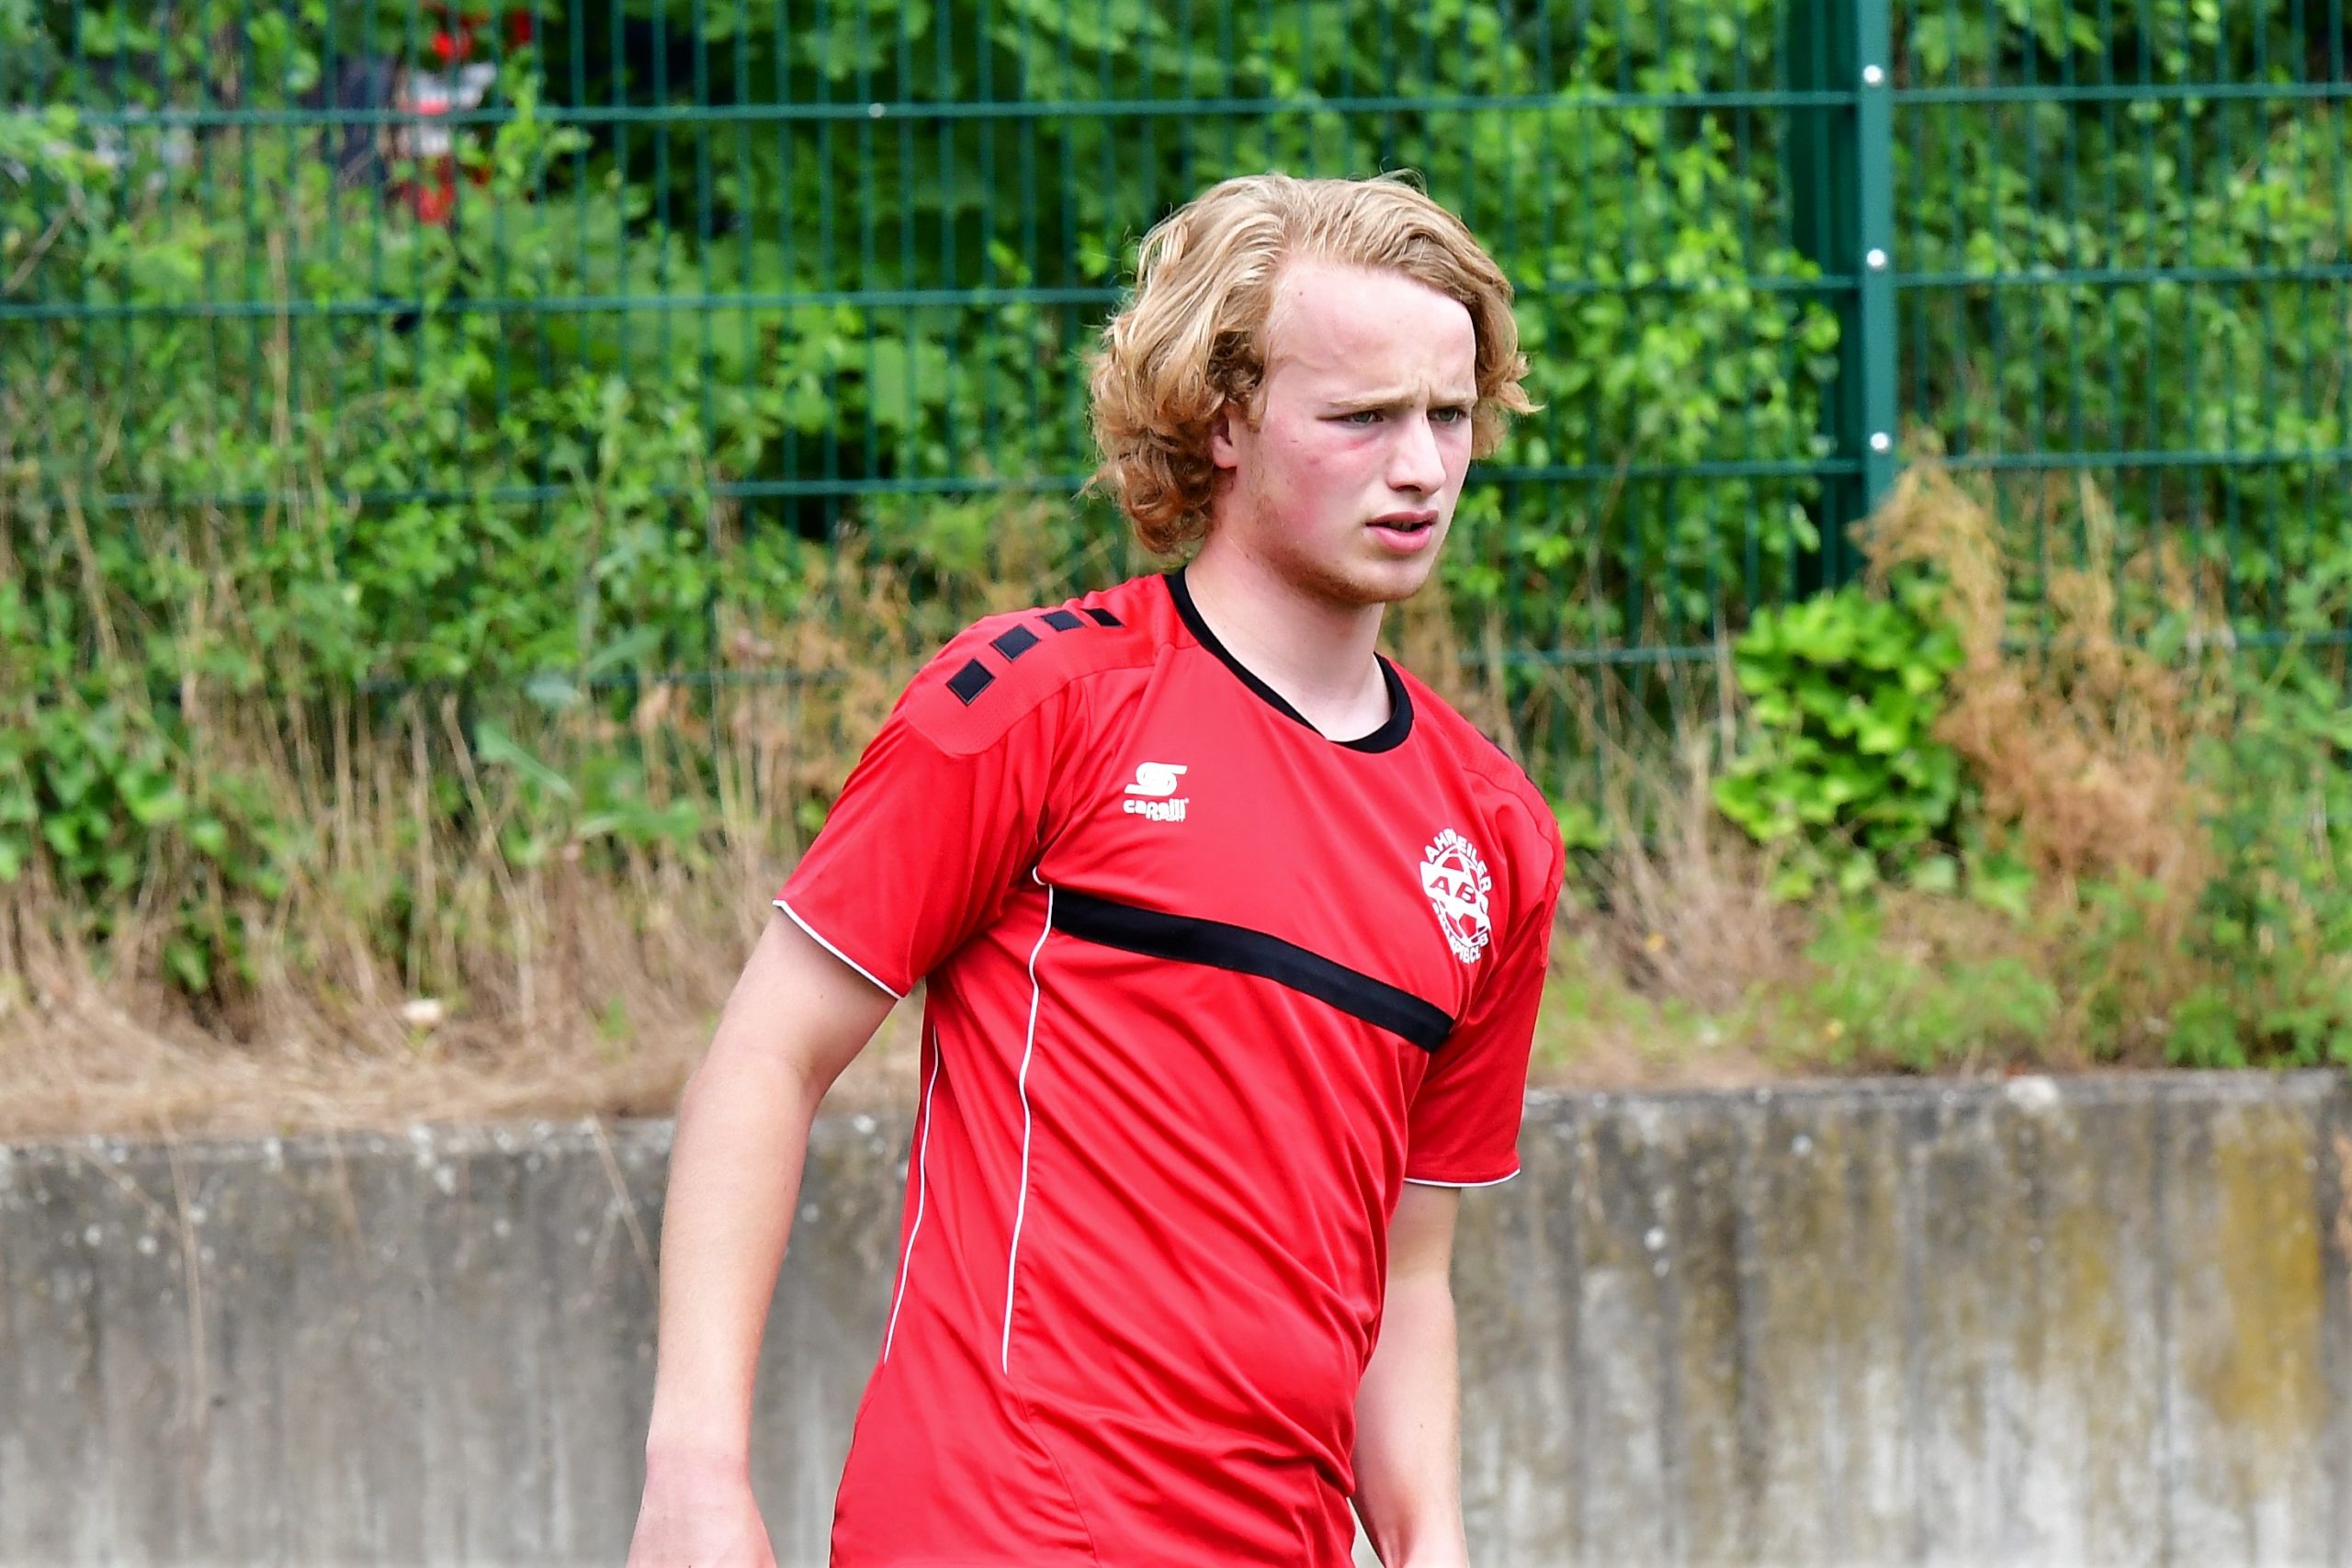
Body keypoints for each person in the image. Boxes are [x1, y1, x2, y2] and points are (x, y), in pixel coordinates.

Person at [627, 171, 1564, 1568]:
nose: (1422, 466)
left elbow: (1406, 1263)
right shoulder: (1039, 701)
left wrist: (1433, 1540)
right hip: (999, 1530)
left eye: (1448, 414)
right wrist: (696, 1471)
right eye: (1362, 417)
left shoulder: (1493, 834)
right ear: (1223, 419)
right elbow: (768, 1057)